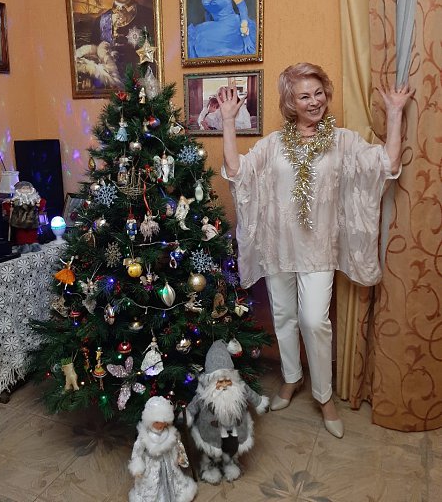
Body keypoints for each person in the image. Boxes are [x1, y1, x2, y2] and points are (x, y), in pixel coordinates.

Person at [218, 62, 414, 439]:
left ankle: (324, 396)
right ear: (290, 103)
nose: (314, 101)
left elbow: (386, 165)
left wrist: (394, 113)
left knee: (313, 321)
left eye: (319, 93)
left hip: (319, 248)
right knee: (283, 316)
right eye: (304, 96)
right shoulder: (274, 144)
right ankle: (291, 378)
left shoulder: (343, 141)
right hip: (277, 246)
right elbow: (238, 171)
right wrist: (228, 121)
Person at [186, 339, 269, 484]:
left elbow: (252, 395)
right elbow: (193, 405)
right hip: (211, 431)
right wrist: (187, 415)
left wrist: (260, 403)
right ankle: (209, 466)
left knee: (232, 448)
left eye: (227, 381)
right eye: (220, 382)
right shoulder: (203, 393)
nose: (224, 385)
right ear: (211, 381)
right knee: (211, 449)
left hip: (234, 428)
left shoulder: (240, 387)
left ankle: (230, 463)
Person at [76, 0, 153, 89]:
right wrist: (88, 77)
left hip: (140, 93)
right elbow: (93, 60)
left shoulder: (148, 15)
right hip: (108, 95)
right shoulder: (99, 21)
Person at [128, 395, 197, 502]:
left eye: (163, 422)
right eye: (157, 422)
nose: (160, 425)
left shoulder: (170, 432)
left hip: (169, 462)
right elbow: (138, 450)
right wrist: (137, 466)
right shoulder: (144, 434)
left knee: (175, 480)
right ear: (150, 420)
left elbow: (177, 444)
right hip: (152, 464)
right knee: (152, 483)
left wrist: (179, 456)